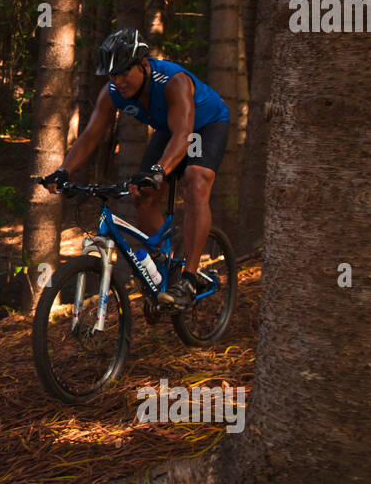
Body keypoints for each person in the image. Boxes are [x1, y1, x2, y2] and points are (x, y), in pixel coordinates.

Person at [40, 28, 230, 309]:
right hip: (171, 129)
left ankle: (189, 278)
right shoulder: (114, 92)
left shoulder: (172, 81)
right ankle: (168, 268)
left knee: (195, 181)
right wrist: (63, 171)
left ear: (143, 65)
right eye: (112, 75)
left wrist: (159, 170)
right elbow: (92, 134)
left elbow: (184, 136)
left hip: (204, 125)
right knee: (141, 194)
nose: (118, 81)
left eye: (123, 73)